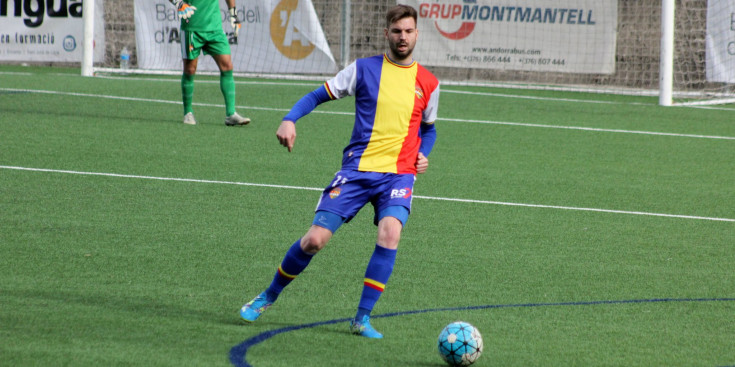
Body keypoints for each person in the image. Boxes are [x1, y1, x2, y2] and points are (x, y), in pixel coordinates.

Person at [239, 4, 440, 339]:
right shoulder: (363, 69)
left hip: (399, 175)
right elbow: (318, 95)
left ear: (416, 34)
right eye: (396, 31)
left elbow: (429, 130)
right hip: (357, 171)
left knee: (390, 233)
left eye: (408, 31)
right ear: (386, 33)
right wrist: (290, 119)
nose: (402, 37)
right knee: (314, 240)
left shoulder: (429, 83)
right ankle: (269, 295)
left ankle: (362, 318)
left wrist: (423, 154)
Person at [169, 0, 250, 126]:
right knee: (190, 70)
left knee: (227, 66)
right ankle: (188, 113)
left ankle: (230, 114)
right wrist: (178, 3)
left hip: (215, 28)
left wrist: (233, 14)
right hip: (192, 27)